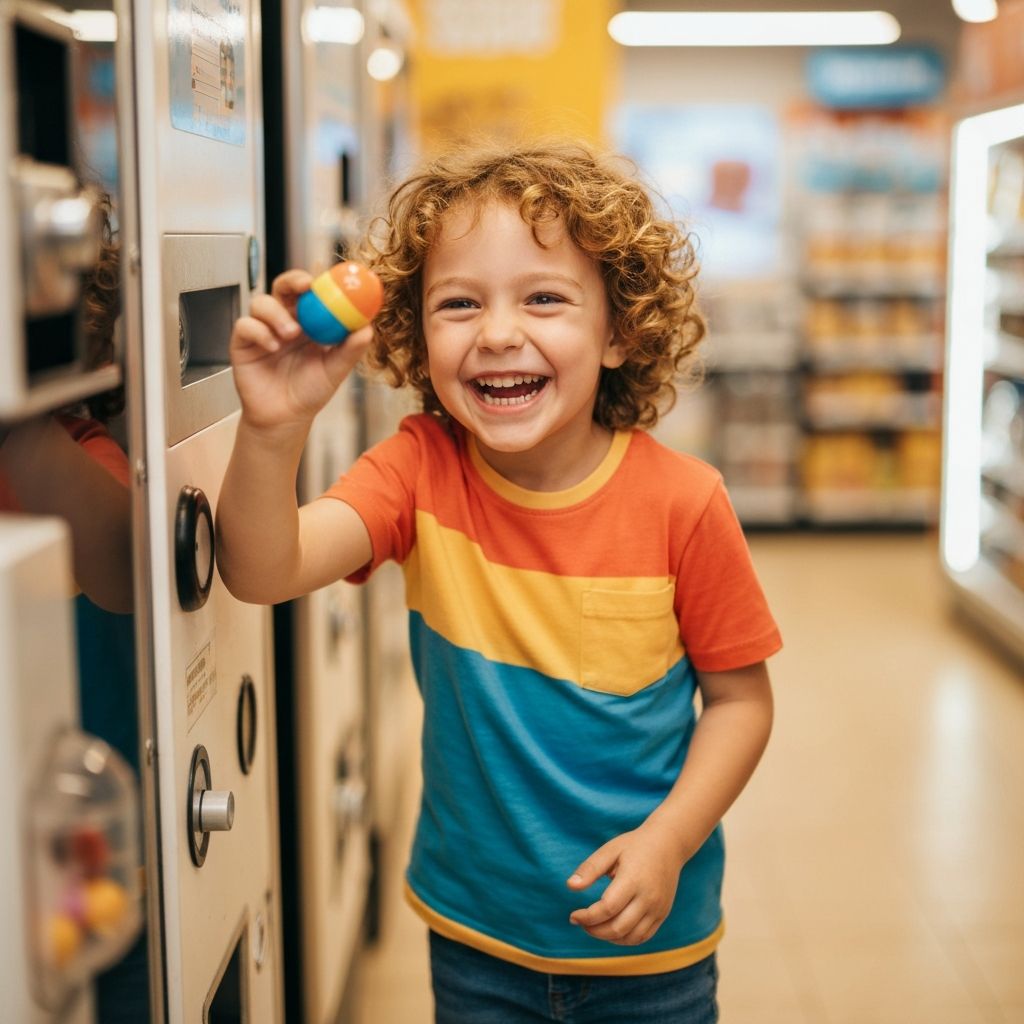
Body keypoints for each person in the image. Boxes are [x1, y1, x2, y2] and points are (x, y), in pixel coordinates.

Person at [218, 140, 782, 1023]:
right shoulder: (418, 470)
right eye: (459, 303)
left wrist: (669, 842)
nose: (497, 333)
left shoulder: (685, 503)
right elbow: (262, 567)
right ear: (416, 330)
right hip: (477, 937)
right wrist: (272, 428)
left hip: (651, 948)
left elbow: (742, 703)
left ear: (620, 328)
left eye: (546, 298)